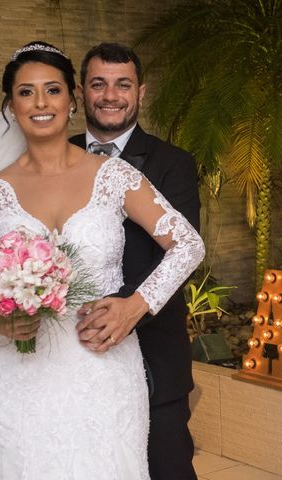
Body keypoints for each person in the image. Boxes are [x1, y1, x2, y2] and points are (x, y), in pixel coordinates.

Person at [0, 41, 204, 479]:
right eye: (26, 92)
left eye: (52, 89)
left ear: (71, 99)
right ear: (10, 105)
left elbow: (188, 244)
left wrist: (135, 304)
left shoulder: (116, 176)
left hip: (101, 374)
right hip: (14, 383)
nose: (40, 102)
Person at [70, 43, 201, 480]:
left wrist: (126, 310)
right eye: (98, 84)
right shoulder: (54, 158)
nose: (111, 95)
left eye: (123, 84)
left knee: (166, 468)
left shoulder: (173, 164)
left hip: (152, 355)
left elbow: (182, 253)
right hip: (68, 354)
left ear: (140, 93)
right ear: (80, 92)